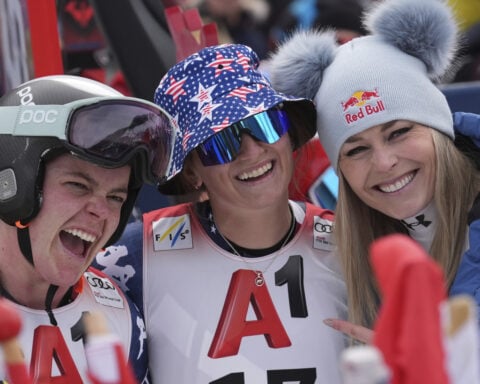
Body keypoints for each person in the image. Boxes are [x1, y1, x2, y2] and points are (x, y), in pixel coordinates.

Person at [93, 43, 348, 383]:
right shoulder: (131, 257)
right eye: (221, 142)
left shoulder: (349, 242)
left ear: (288, 134)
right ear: (192, 172)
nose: (252, 151)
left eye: (265, 124)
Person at [268, 0, 480, 332]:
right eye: (356, 150)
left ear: (439, 129)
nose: (384, 162)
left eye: (399, 132)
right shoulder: (345, 262)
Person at [0, 74, 176, 383]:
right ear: (14, 184)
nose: (102, 211)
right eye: (78, 185)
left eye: (115, 197)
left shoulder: (118, 317)